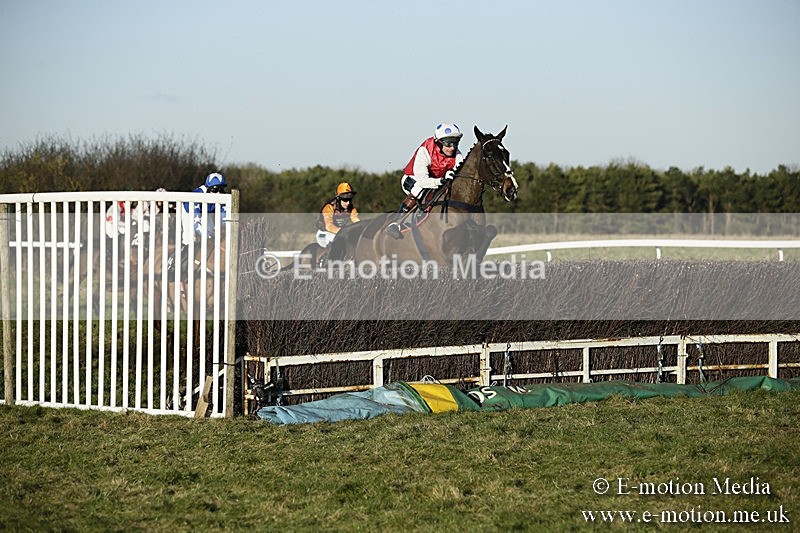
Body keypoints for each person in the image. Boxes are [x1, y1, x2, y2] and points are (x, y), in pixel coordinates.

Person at [385, 122, 464, 239]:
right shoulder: (425, 150)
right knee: (419, 189)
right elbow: (422, 181)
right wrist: (440, 181)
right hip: (412, 179)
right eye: (448, 143)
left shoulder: (457, 155)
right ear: (438, 142)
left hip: (436, 183)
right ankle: (396, 223)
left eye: (455, 143)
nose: (452, 148)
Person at [316, 182, 360, 247]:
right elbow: (329, 226)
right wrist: (344, 232)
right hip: (324, 233)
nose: (348, 203)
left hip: (340, 233)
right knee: (337, 239)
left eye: (350, 200)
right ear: (338, 198)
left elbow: (357, 222)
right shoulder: (329, 207)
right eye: (345, 200)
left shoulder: (352, 209)